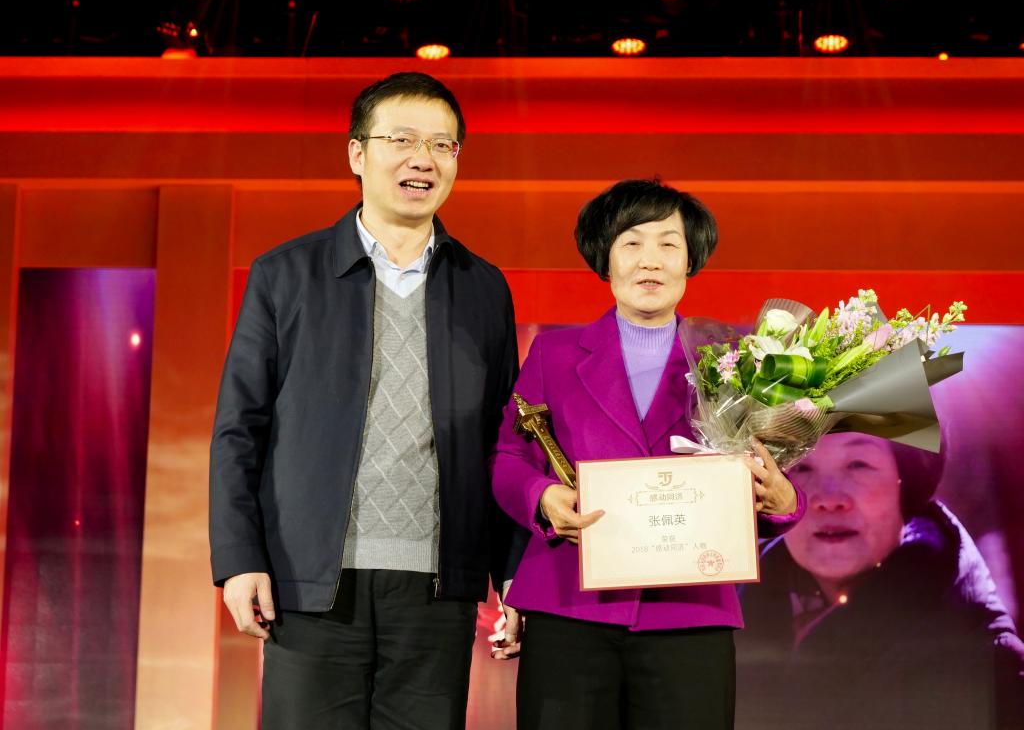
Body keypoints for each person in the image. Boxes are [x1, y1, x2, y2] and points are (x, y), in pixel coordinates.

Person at [209, 71, 520, 730]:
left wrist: (514, 575)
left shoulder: (483, 288)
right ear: (357, 153)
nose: (422, 159)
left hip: (439, 589)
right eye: (401, 140)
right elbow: (240, 428)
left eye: (442, 145)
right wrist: (239, 560)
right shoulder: (284, 275)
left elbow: (503, 443)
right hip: (311, 581)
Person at [490, 178, 806, 730]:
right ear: (605, 259)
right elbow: (508, 457)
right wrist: (542, 497)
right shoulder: (554, 354)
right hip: (571, 605)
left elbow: (766, 466)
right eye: (631, 243)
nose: (650, 261)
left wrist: (784, 501)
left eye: (668, 244)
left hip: (689, 612)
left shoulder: (737, 360)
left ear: (690, 261)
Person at [735, 432, 1024, 730]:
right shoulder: (727, 645)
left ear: (906, 481)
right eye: (802, 467)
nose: (829, 500)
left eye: (858, 465)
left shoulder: (987, 665)